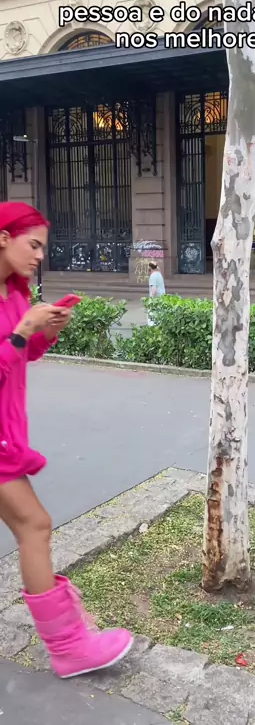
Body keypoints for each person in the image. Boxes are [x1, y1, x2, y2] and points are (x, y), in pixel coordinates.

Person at [0, 202, 132, 679]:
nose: (40, 256)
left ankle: (69, 641)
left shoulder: (16, 293)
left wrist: (44, 332)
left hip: (8, 435)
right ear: (3, 238)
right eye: (33, 245)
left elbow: (22, 355)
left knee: (32, 527)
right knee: (35, 526)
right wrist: (22, 332)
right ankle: (69, 646)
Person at [147, 261, 165, 326]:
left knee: (151, 315)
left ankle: (152, 328)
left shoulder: (153, 276)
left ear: (150, 268)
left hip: (156, 299)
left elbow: (154, 290)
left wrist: (151, 300)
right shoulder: (159, 274)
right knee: (159, 315)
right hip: (161, 298)